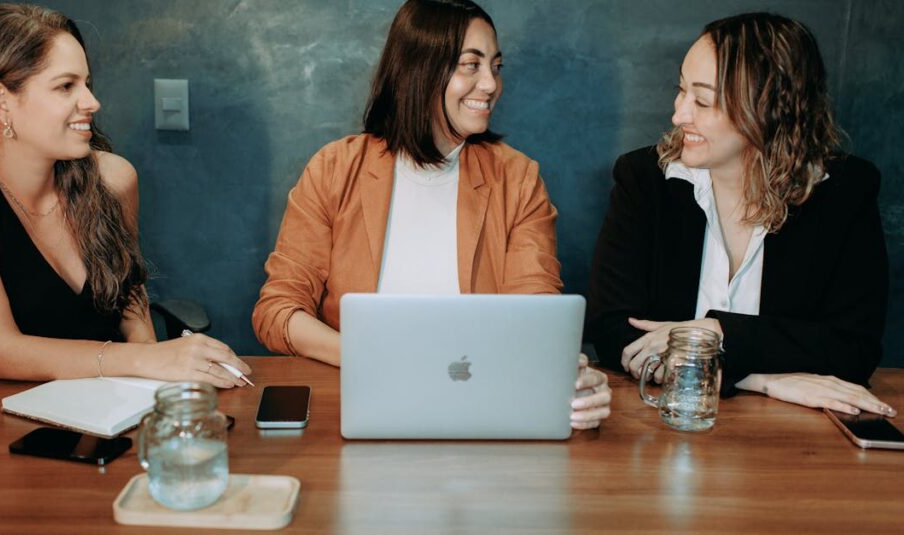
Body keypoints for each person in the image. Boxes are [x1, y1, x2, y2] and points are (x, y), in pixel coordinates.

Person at [253, 0, 610, 429]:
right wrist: (369, 357)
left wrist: (565, 369)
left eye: (495, 67)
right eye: (471, 66)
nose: (491, 84)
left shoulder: (517, 179)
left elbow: (536, 314)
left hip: (481, 408)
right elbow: (277, 311)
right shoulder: (334, 169)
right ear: (419, 70)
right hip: (358, 404)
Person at [0, 4, 251, 388]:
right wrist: (146, 359)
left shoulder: (114, 178)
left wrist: (158, 378)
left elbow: (130, 300)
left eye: (87, 84)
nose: (92, 102)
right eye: (66, 86)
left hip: (97, 407)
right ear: (0, 101)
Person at [587, 13, 894, 416]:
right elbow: (614, 332)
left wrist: (714, 330)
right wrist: (758, 378)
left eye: (703, 100)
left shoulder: (843, 191)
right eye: (681, 91)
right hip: (663, 424)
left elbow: (851, 348)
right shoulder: (645, 180)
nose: (679, 115)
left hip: (787, 445)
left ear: (769, 107)